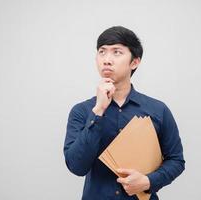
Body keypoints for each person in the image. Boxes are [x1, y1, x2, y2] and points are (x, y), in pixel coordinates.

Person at [63, 26, 185, 200]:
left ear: (134, 62)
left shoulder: (158, 110)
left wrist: (148, 181)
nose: (106, 59)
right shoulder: (82, 111)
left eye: (117, 52)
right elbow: (77, 167)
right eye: (102, 52)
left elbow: (176, 160)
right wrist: (98, 112)